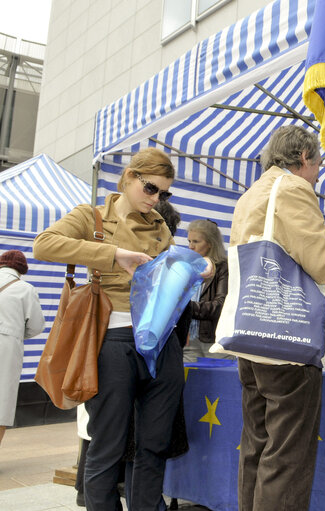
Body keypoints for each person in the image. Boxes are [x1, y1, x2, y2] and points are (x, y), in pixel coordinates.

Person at [33, 147, 213, 511]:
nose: (156, 199)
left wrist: (195, 267)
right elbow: (44, 245)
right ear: (129, 176)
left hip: (161, 344)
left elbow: (168, 284)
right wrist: (114, 255)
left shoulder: (161, 226)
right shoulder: (93, 217)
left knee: (153, 446)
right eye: (150, 189)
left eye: (164, 194)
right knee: (108, 445)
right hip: (112, 339)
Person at [229, 125, 325, 511]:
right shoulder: (293, 189)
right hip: (287, 343)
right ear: (305, 159)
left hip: (251, 336)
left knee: (256, 448)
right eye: (319, 164)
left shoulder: (250, 195)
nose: (318, 173)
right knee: (287, 459)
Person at [0, 250, 45, 446]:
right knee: (3, 399)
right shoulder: (25, 288)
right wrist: (16, 332)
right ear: (21, 270)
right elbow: (36, 325)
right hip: (7, 344)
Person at [184, 219, 229, 361]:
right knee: (188, 381)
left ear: (210, 243)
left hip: (215, 341)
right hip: (188, 338)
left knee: (218, 381)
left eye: (196, 242)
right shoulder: (187, 267)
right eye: (189, 241)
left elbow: (220, 306)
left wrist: (186, 308)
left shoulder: (224, 268)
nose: (191, 246)